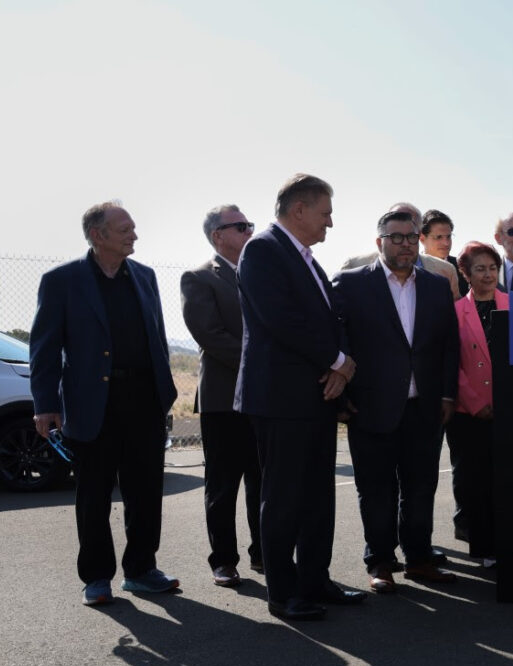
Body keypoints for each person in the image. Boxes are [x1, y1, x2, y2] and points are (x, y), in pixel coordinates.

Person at [30, 201, 179, 606]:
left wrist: (164, 391)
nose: (134, 235)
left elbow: (157, 337)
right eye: (125, 229)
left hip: (145, 399)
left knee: (145, 490)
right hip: (91, 403)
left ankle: (142, 570)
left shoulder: (144, 276)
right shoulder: (62, 281)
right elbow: (44, 348)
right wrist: (45, 403)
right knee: (93, 493)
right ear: (98, 235)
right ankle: (96, 577)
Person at [236, 173, 364, 622]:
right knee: (284, 497)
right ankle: (283, 592)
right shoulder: (263, 250)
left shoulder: (305, 258)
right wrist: (337, 361)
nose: (330, 222)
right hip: (280, 399)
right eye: (325, 213)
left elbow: (330, 318)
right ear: (299, 210)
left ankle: (314, 580)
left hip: (316, 395)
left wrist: (341, 366)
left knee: (317, 497)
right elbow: (280, 320)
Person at [334, 210, 460, 594]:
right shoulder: (351, 284)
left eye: (411, 237)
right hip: (369, 407)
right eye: (396, 237)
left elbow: (448, 345)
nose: (405, 244)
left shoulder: (437, 286)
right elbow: (338, 341)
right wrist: (343, 397)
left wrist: (447, 393)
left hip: (424, 406)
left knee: (420, 488)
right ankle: (380, 562)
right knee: (376, 490)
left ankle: (419, 558)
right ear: (380, 242)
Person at [181, 204, 262, 587]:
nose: (250, 231)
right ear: (218, 236)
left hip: (263, 397)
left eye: (250, 224)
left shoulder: (259, 273)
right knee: (223, 484)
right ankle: (224, 560)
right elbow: (210, 335)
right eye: (241, 226)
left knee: (262, 481)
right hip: (223, 399)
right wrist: (263, 361)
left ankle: (264, 553)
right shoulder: (199, 278)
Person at [451, 242, 508, 566]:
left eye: (492, 268)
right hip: (469, 414)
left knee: (507, 481)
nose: (488, 275)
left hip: (509, 410)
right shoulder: (455, 312)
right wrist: (475, 403)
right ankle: (485, 549)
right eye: (480, 269)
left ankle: (511, 543)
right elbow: (451, 364)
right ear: (466, 274)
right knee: (475, 483)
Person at [341, 202, 461, 299]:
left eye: (410, 234)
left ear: (419, 234)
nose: (405, 243)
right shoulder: (354, 267)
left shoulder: (445, 271)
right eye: (396, 236)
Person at [421, 209, 467, 297]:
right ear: (422, 239)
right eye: (438, 237)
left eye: (448, 237)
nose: (446, 243)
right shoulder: (412, 268)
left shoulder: (464, 268)